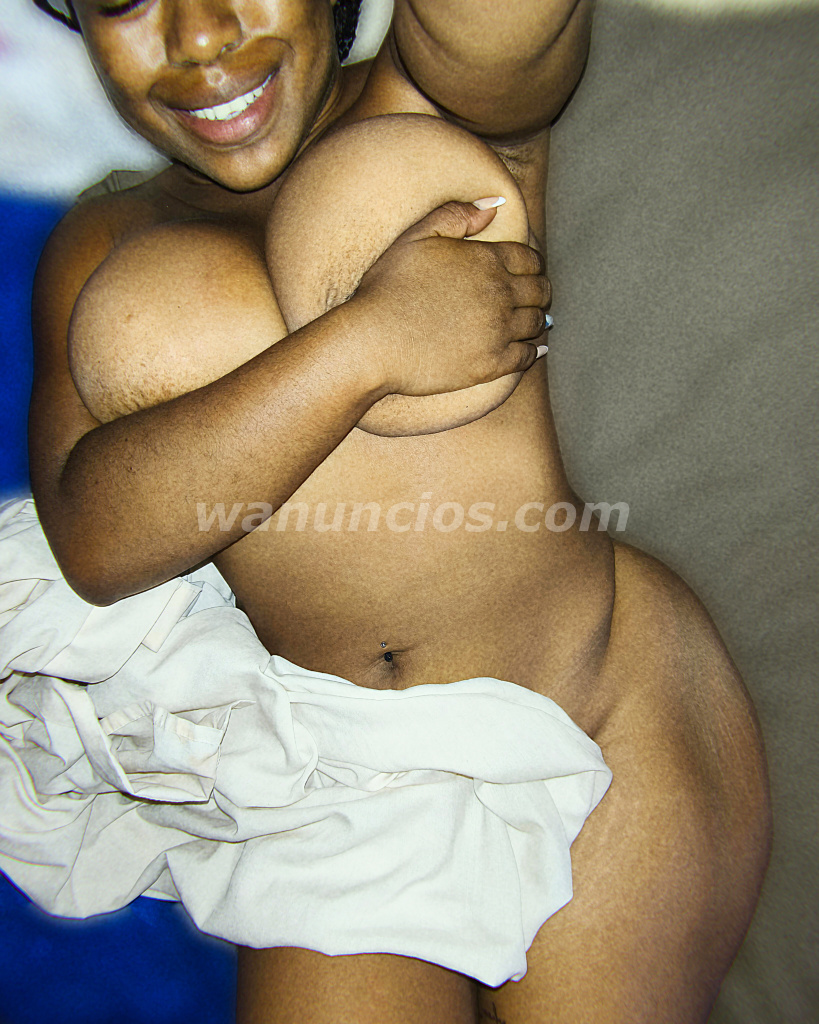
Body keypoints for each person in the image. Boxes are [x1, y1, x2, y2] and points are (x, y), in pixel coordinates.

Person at [0, 0, 771, 1021]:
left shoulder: (438, 99)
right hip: (339, 779)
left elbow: (504, 32)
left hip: (597, 700)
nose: (199, 35)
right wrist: (366, 346)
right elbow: (97, 543)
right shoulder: (101, 236)